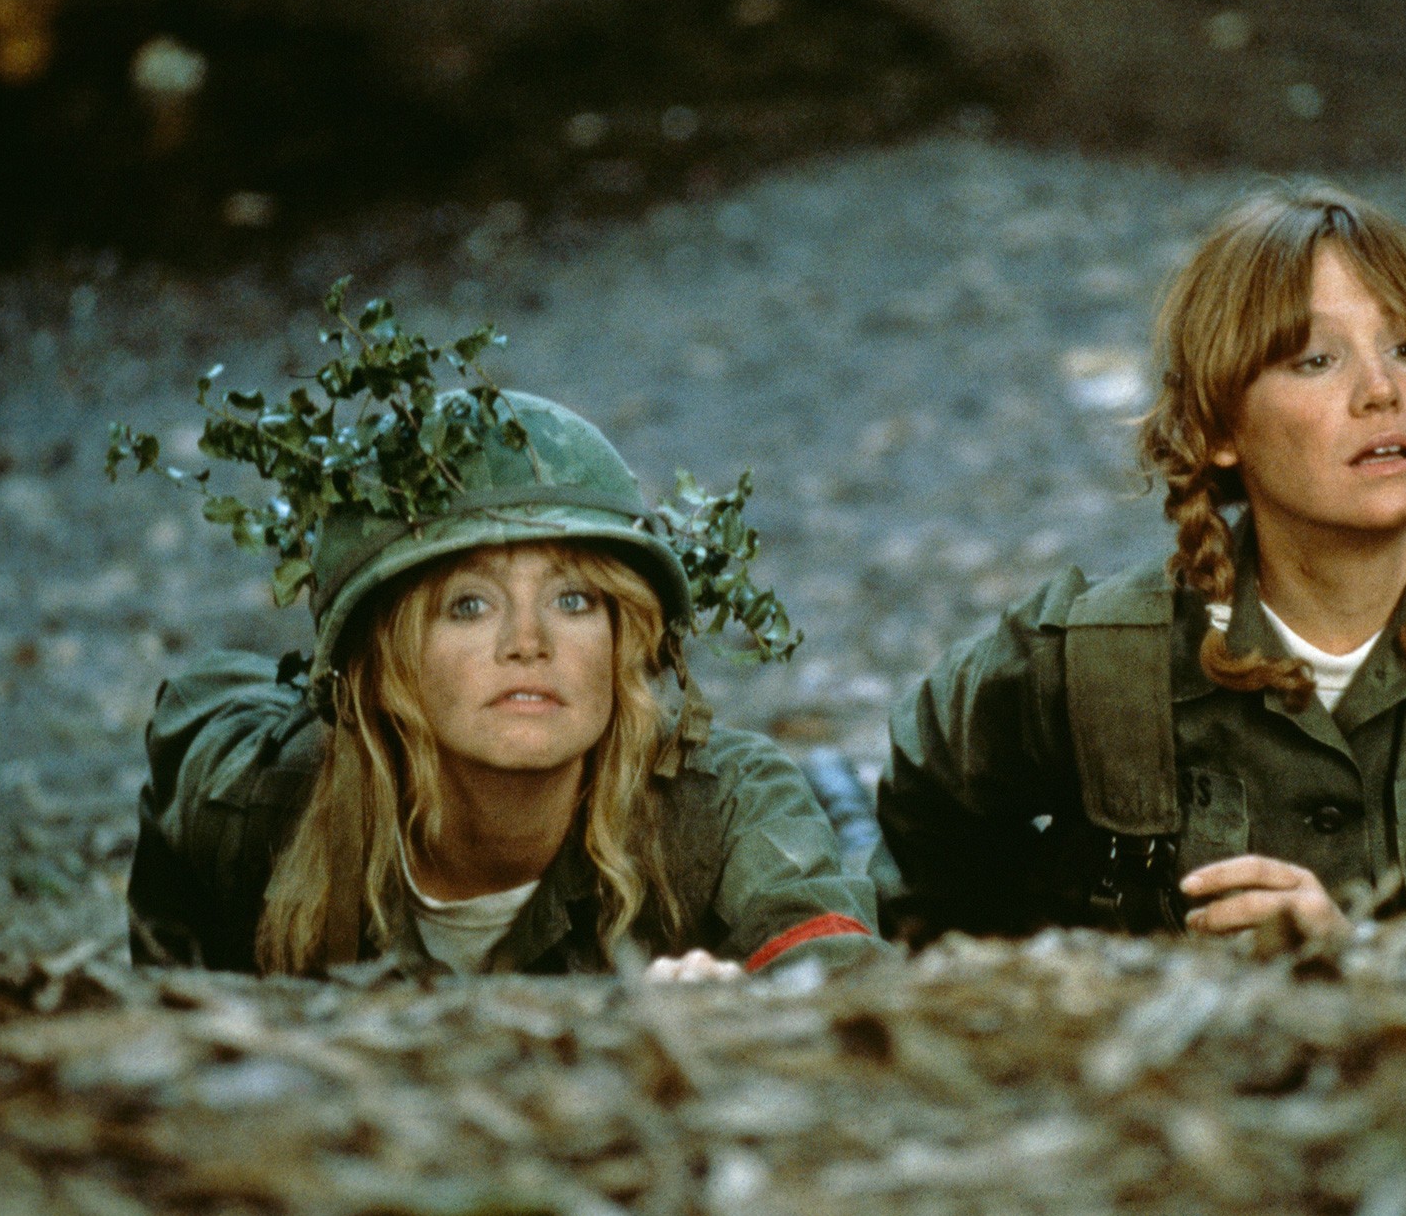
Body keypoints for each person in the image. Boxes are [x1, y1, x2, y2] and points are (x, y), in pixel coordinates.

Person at [878, 181, 1406, 946]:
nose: (1381, 390)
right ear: (1222, 429)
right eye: (1316, 360)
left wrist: (1355, 958)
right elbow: (927, 814)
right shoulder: (1096, 659)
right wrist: (1055, 963)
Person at [128, 390, 879, 979]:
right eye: (469, 605)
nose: (527, 642)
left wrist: (740, 1000)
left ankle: (849, 810)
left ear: (625, 641)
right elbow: (191, 721)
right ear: (383, 663)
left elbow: (837, 974)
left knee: (873, 869)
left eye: (573, 600)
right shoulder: (257, 801)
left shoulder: (721, 804)